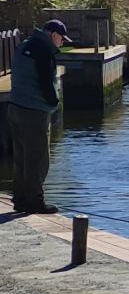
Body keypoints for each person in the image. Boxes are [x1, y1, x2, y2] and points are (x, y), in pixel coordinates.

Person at [7, 19, 71, 214]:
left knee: (21, 158)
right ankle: (35, 201)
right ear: (54, 36)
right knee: (38, 159)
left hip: (15, 108)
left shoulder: (25, 44)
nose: (62, 44)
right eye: (61, 39)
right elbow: (45, 83)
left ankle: (20, 199)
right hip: (34, 112)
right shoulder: (43, 51)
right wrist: (54, 103)